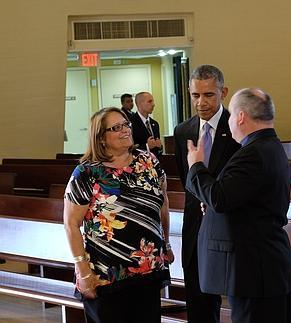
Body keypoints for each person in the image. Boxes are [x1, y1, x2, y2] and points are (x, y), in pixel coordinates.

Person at [186, 88, 291, 323]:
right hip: (263, 268)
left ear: (240, 117)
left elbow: (219, 197)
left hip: (256, 272)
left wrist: (196, 166)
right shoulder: (268, 147)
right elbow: (241, 200)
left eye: (230, 116)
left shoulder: (253, 153)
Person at [63, 107, 173, 323]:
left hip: (148, 268)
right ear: (101, 138)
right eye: (116, 127)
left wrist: (166, 244)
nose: (125, 130)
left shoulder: (148, 162)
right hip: (107, 274)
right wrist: (83, 271)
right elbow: (71, 224)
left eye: (126, 125)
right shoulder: (87, 173)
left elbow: (162, 204)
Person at [173, 65, 240, 323]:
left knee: (238, 300)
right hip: (195, 226)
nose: (201, 102)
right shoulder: (183, 131)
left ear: (223, 92)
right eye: (195, 95)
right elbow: (187, 180)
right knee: (198, 300)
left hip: (229, 223)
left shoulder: (237, 128)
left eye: (209, 95)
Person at [130, 92, 163, 156]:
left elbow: (158, 150)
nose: (153, 104)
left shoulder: (155, 124)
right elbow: (128, 150)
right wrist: (146, 147)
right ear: (140, 104)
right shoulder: (130, 123)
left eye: (153, 101)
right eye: (150, 101)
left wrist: (160, 147)